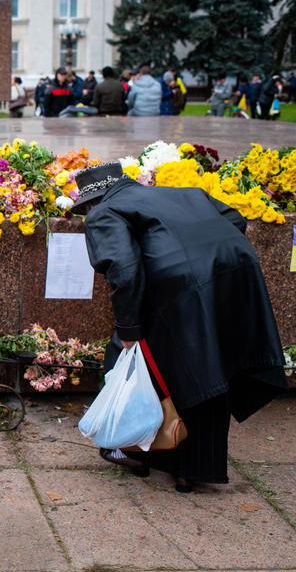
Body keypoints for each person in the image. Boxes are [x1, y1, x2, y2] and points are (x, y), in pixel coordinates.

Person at [72, 163, 287, 493]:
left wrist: (128, 330)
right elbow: (234, 220)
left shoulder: (104, 212)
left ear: (92, 201)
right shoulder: (185, 194)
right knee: (210, 364)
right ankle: (192, 470)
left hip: (179, 287)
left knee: (127, 358)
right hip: (234, 277)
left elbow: (124, 271)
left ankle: (130, 447)